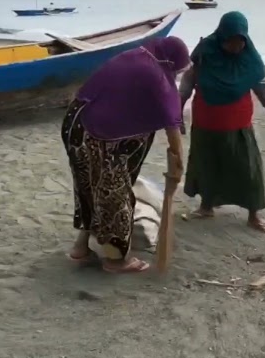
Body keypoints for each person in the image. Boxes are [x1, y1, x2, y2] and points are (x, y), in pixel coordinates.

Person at [63, 36, 191, 273]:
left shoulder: (137, 55)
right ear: (170, 62)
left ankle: (80, 248)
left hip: (76, 123)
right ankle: (115, 260)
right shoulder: (156, 75)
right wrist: (178, 165)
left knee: (89, 187)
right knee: (115, 196)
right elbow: (172, 126)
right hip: (95, 134)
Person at [178, 11, 265, 233]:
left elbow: (263, 88)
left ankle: (254, 215)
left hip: (238, 124)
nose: (235, 46)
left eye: (240, 41)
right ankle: (206, 207)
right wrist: (177, 112)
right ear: (221, 36)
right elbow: (188, 82)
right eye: (230, 41)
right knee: (207, 166)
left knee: (247, 170)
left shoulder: (250, 59)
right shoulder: (205, 53)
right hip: (205, 122)